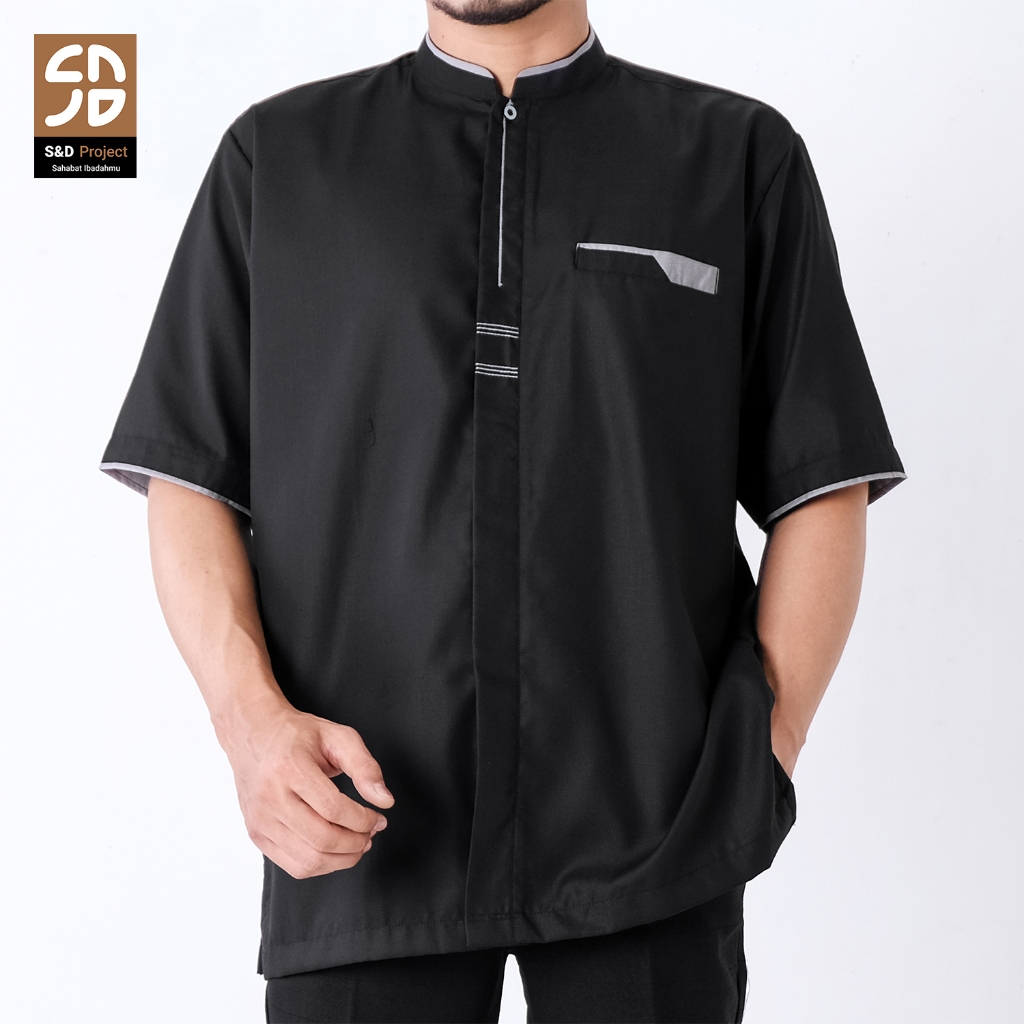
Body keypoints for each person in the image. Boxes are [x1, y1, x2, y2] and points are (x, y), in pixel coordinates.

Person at [99, 0, 905, 1020]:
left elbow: (820, 479)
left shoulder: (736, 157)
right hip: (358, 829)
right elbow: (190, 474)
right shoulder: (280, 158)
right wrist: (249, 726)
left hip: (655, 833)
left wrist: (764, 751)